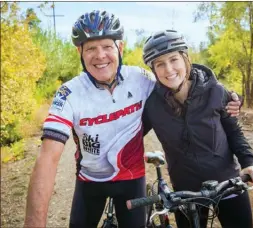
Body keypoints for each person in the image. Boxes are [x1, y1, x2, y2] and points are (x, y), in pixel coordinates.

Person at [23, 10, 241, 228]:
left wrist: (226, 98)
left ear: (120, 48)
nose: (100, 55)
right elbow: (48, 157)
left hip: (132, 180)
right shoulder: (68, 93)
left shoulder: (141, 79)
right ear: (80, 51)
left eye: (107, 46)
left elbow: (180, 82)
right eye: (91, 48)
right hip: (90, 182)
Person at [141, 30, 253, 228]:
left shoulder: (216, 91)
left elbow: (234, 132)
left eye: (173, 59)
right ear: (153, 70)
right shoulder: (152, 105)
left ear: (185, 59)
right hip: (185, 192)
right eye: (160, 64)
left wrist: (249, 162)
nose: (169, 69)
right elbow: (132, 134)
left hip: (228, 184)